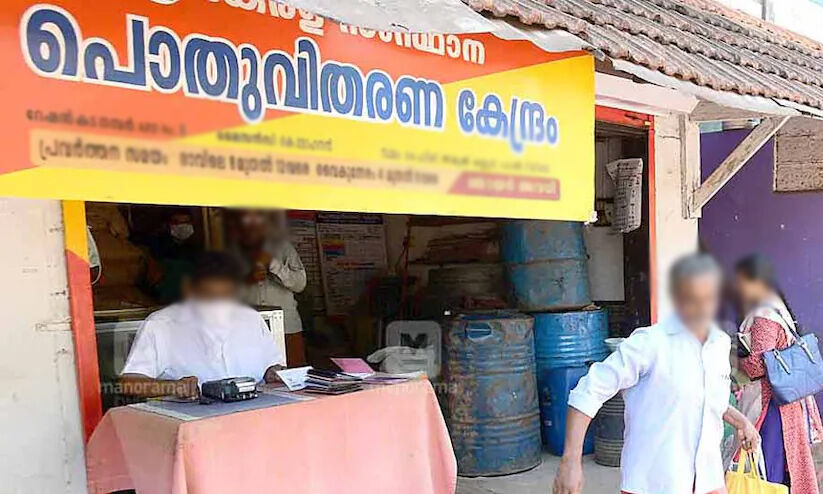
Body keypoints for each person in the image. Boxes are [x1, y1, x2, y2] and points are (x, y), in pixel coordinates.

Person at [553, 253, 760, 494]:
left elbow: (707, 400)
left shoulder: (719, 344)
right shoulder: (651, 343)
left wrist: (742, 422)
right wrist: (571, 461)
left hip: (708, 482)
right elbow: (588, 391)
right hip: (654, 484)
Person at [119, 251, 286, 399]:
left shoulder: (251, 319)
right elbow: (129, 384)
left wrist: (273, 373)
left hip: (253, 414)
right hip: (191, 418)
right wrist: (173, 387)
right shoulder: (161, 324)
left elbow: (272, 366)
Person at [736, 254, 823, 494]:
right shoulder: (779, 308)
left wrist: (736, 360)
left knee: (766, 472)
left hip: (770, 407)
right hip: (787, 404)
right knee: (784, 472)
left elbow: (759, 364)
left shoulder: (763, 315)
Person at [232, 209, 307, 366]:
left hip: (286, 326)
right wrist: (247, 279)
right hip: (249, 327)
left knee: (293, 372)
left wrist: (274, 265)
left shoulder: (284, 248)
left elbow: (300, 284)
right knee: (254, 371)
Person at [144, 209, 200, 304]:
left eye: (186, 222)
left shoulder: (196, 250)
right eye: (176, 222)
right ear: (167, 225)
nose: (182, 226)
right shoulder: (156, 246)